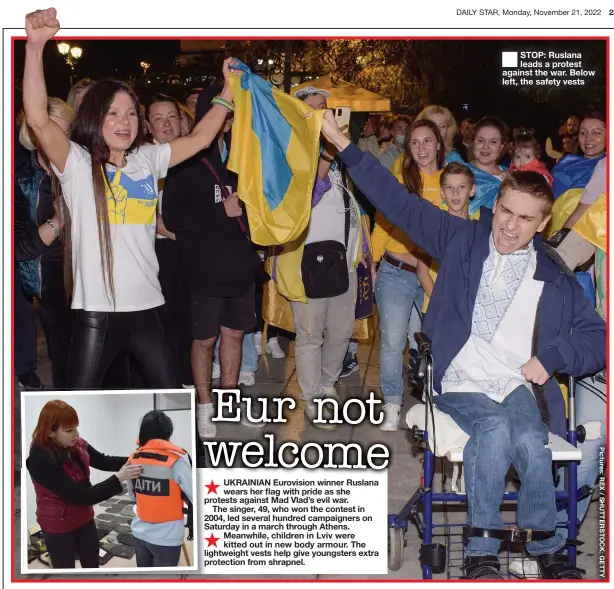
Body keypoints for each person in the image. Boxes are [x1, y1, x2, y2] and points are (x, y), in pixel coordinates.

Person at [320, 110, 605, 579]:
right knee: (493, 429)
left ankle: (549, 545)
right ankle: (482, 550)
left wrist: (552, 357)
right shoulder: (463, 239)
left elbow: (597, 336)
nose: (510, 226)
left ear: (543, 221)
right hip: (458, 374)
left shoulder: (554, 275)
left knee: (534, 439)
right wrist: (343, 144)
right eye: (506, 212)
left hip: (516, 381)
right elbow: (399, 204)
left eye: (525, 218)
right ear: (497, 204)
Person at [23, 8, 240, 390]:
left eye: (130, 113)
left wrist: (227, 90)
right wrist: (36, 46)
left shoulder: (147, 160)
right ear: (94, 117)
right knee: (81, 408)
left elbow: (202, 138)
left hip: (148, 309)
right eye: (112, 113)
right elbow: (39, 119)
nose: (124, 121)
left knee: (170, 398)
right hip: (98, 316)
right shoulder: (76, 162)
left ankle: (187, 452)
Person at [162, 85, 261, 439]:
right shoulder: (184, 159)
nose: (229, 121)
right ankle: (204, 408)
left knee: (235, 335)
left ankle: (230, 402)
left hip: (240, 267)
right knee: (203, 341)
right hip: (203, 268)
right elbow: (173, 219)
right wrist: (222, 209)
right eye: (225, 113)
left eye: (233, 115)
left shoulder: (244, 155)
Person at [272, 86, 370, 429]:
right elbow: (302, 199)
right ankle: (311, 395)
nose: (322, 114)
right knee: (311, 335)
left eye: (325, 108)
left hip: (343, 261)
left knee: (342, 332)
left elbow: (352, 208)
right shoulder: (288, 156)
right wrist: (328, 153)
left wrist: (362, 251)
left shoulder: (339, 156)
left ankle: (327, 384)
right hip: (306, 263)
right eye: (313, 109)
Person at [371, 119, 445, 430]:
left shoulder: (450, 181)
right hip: (396, 272)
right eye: (415, 142)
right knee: (392, 343)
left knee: (429, 343)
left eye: (427, 141)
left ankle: (431, 397)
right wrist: (373, 266)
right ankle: (392, 402)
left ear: (438, 144)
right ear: (408, 148)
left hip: (435, 275)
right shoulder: (399, 179)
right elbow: (382, 225)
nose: (421, 148)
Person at [26, 400, 142, 569]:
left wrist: (134, 459)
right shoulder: (39, 460)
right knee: (65, 571)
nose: (76, 434)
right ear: (51, 433)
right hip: (58, 525)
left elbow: (103, 460)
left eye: (76, 428)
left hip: (83, 517)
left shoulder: (76, 443)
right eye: (69, 430)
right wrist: (119, 478)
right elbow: (82, 496)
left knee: (92, 562)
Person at [15, 97, 74, 389]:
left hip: (92, 280)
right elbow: (18, 249)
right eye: (52, 130)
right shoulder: (22, 179)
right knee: (64, 359)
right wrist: (58, 222)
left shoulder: (83, 170)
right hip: (51, 286)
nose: (59, 140)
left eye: (66, 132)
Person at [145, 94, 194, 387]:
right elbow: (147, 215)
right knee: (168, 321)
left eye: (172, 117)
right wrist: (183, 237)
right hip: (160, 251)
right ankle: (171, 385)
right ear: (149, 127)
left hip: (191, 250)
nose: (166, 124)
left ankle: (188, 384)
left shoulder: (194, 156)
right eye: (158, 119)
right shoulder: (140, 160)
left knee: (192, 321)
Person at [128, 411, 193, 567]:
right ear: (167, 434)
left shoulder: (133, 458)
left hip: (139, 533)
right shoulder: (176, 463)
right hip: (167, 538)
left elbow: (132, 496)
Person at [417, 162, 476, 313]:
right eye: (449, 187)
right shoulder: (434, 225)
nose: (455, 193)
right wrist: (442, 305)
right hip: (436, 308)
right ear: (442, 192)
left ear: (472, 190)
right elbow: (422, 272)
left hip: (466, 311)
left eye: (462, 187)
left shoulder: (478, 228)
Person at [466, 116, 509, 213]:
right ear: (473, 143)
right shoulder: (459, 172)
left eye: (493, 142)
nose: (485, 146)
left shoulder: (511, 176)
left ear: (501, 147)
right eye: (480, 140)